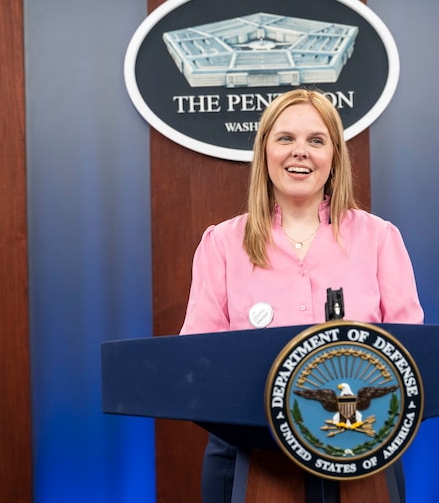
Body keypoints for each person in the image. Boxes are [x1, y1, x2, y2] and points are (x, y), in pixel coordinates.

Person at [180, 88, 423, 501]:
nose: (300, 152)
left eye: (316, 140)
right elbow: (199, 364)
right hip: (250, 456)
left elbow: (409, 354)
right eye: (285, 138)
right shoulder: (221, 244)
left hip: (360, 450)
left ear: (334, 156)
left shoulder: (380, 238)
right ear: (265, 151)